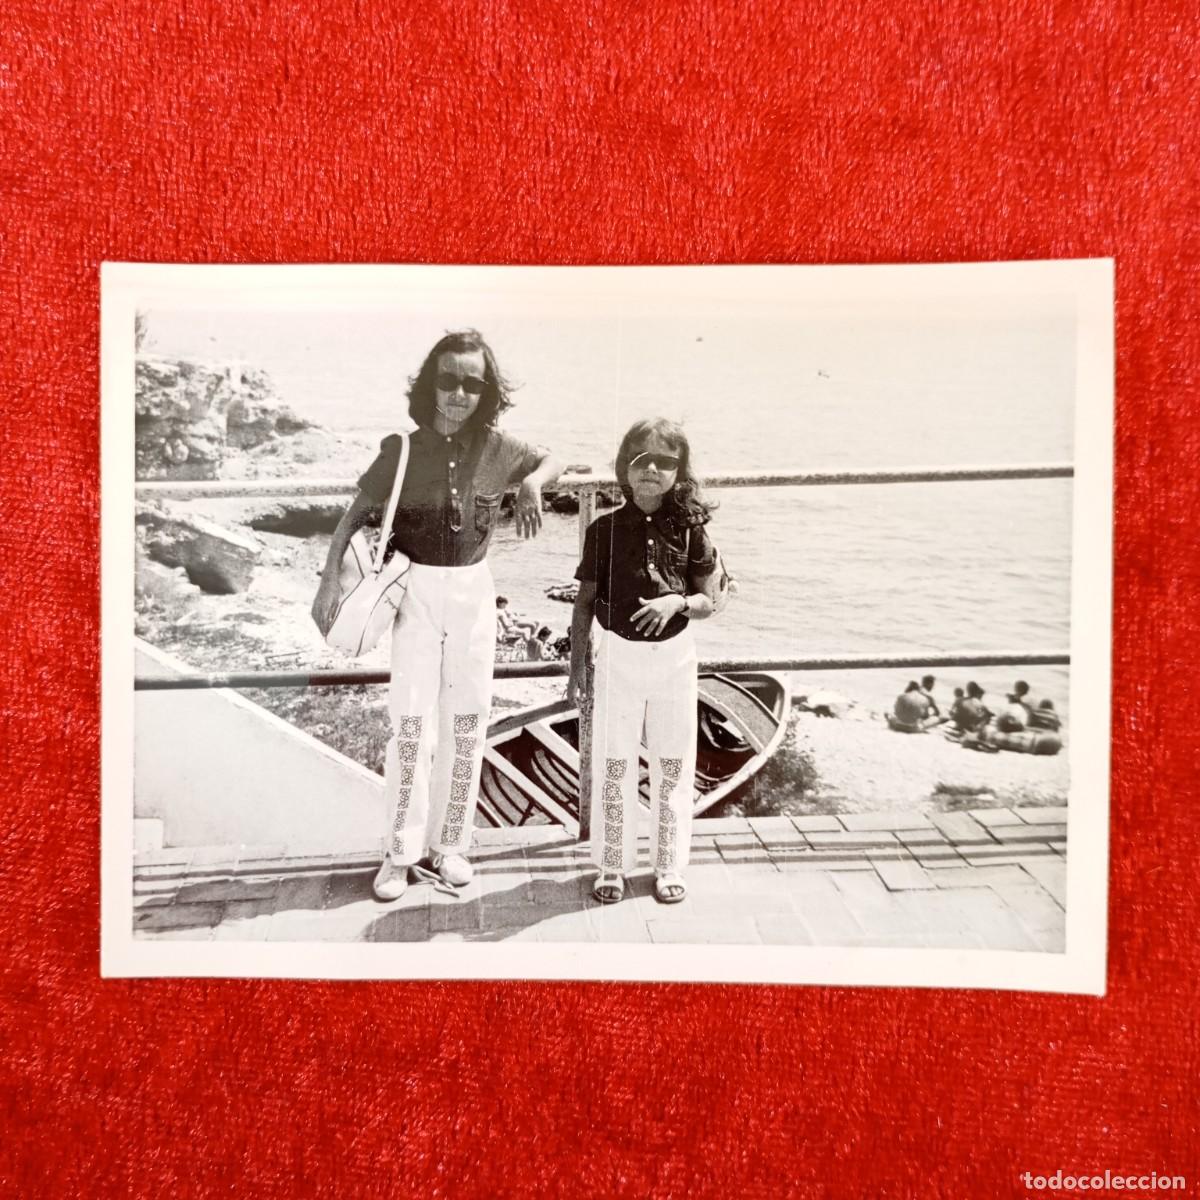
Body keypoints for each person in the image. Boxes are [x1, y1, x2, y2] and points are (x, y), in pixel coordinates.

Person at [311, 330, 562, 901]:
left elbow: (553, 457)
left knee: (468, 721)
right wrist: (329, 582)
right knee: (411, 725)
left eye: (473, 384)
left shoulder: (499, 448)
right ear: (430, 384)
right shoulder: (401, 450)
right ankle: (399, 853)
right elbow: (355, 516)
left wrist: (531, 485)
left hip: (475, 593)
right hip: (415, 593)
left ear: (487, 392)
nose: (459, 393)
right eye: (448, 380)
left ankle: (450, 845)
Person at [567, 418, 723, 907]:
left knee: (672, 762)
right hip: (617, 659)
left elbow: (711, 600)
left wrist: (676, 602)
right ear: (625, 468)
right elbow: (584, 603)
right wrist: (577, 668)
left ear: (680, 472)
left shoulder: (693, 530)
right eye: (641, 459)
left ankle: (669, 864)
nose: (652, 469)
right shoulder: (603, 530)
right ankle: (612, 863)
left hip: (675, 661)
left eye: (665, 461)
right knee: (613, 762)